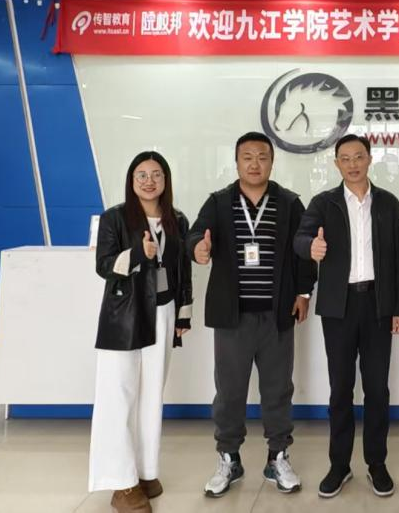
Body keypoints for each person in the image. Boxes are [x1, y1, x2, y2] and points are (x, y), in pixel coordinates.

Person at [188, 132, 314, 497]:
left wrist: (304, 293)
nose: (255, 164)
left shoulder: (289, 203)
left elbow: (304, 251)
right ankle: (229, 458)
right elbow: (195, 235)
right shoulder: (219, 202)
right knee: (229, 392)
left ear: (272, 162)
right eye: (247, 157)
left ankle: (278, 457)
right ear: (237, 162)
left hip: (277, 316)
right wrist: (198, 249)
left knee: (278, 390)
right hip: (233, 317)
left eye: (262, 157)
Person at [293, 134, 399, 498]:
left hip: (378, 305)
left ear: (370, 159)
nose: (353, 164)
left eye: (359, 156)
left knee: (377, 389)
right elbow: (300, 238)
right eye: (345, 158)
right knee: (340, 388)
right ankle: (339, 465)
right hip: (338, 307)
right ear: (336, 164)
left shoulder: (388, 203)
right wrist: (311, 247)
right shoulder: (324, 202)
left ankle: (377, 463)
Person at [88, 151, 193, 513]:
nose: (149, 181)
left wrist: (183, 314)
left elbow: (182, 271)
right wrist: (137, 253)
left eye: (156, 175)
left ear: (166, 180)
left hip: (163, 312)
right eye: (142, 175)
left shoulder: (177, 219)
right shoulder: (115, 217)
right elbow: (103, 265)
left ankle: (145, 472)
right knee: (118, 395)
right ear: (132, 181)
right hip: (125, 315)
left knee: (152, 396)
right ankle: (120, 482)